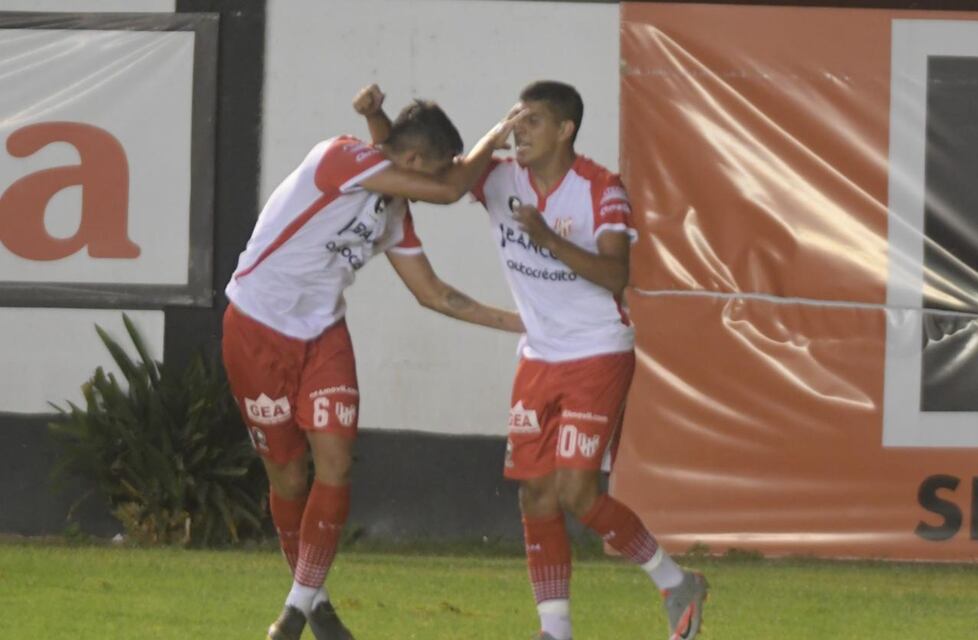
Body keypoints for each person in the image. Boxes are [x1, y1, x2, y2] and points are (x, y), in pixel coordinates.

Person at [358, 80, 708, 640]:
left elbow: (617, 276)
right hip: (539, 357)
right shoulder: (497, 178)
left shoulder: (601, 189)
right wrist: (380, 122)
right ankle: (556, 630)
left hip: (597, 351)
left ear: (565, 130)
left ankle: (675, 582)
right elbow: (425, 178)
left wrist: (548, 239)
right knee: (534, 493)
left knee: (577, 493)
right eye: (516, 120)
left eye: (534, 121)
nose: (521, 131)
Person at [222, 87, 526, 640]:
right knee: (288, 478)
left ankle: (293, 611)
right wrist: (498, 133)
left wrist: (527, 323)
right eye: (430, 168)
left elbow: (435, 294)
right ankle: (318, 604)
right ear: (412, 162)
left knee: (335, 464)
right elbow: (451, 187)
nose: (429, 183)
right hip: (256, 329)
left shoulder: (392, 212)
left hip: (323, 336)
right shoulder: (339, 158)